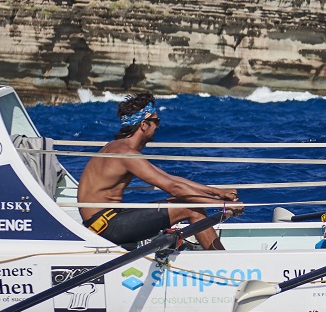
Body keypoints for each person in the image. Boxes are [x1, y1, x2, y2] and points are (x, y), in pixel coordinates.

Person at [76, 93, 240, 249]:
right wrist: (223, 205)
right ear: (144, 124)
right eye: (156, 121)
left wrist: (217, 192)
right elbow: (174, 188)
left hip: (104, 221)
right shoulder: (126, 154)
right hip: (106, 227)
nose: (158, 126)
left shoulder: (118, 148)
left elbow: (170, 179)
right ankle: (220, 262)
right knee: (190, 207)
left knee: (183, 203)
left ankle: (217, 256)